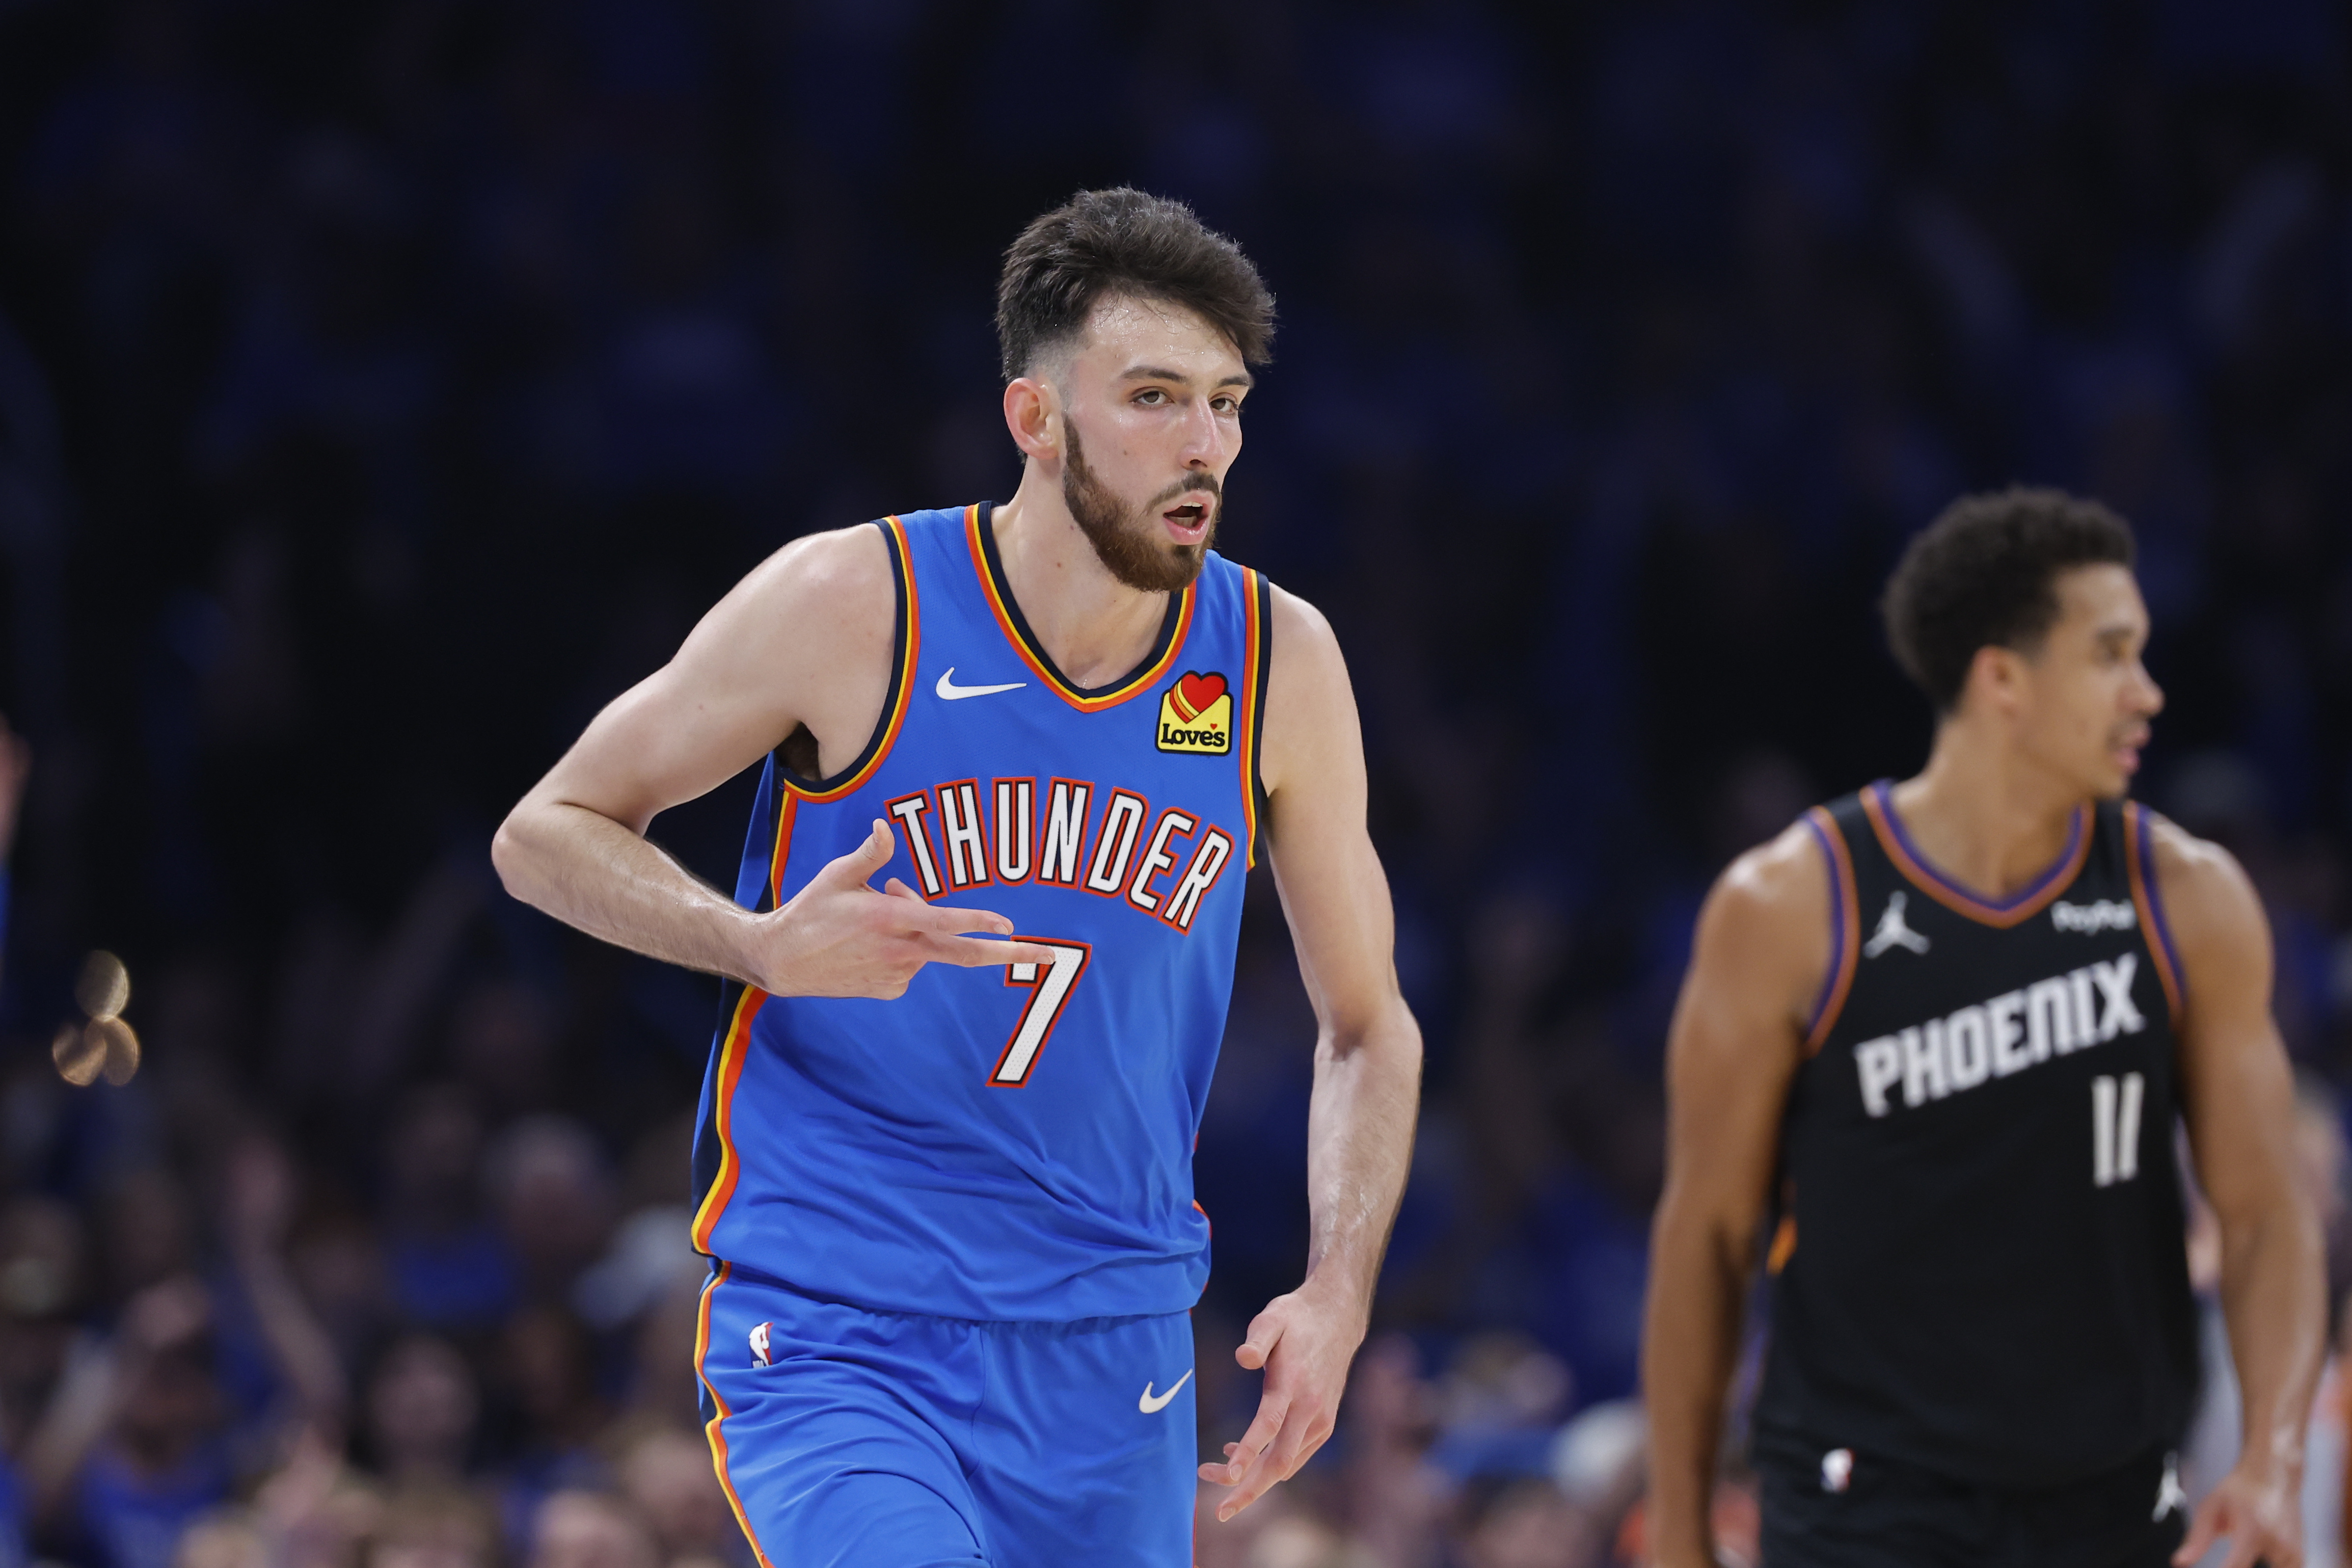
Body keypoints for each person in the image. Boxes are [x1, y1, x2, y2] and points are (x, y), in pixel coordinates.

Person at [492, 187, 1421, 1566]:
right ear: (1034, 420)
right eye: (1155, 397)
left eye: (1225, 402)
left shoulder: (1281, 662)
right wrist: (753, 941)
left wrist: (1341, 1288)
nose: (1206, 445)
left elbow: (1368, 1024)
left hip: (1116, 1345)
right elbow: (545, 830)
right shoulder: (855, 605)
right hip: (843, 1321)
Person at [1644, 489, 2325, 1568]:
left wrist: (2271, 1459)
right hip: (1861, 1499)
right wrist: (1677, 1529)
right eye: (2109, 656)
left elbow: (2264, 1215)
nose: (2146, 693)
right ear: (2000, 676)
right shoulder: (1791, 907)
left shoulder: (2185, 897)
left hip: (2106, 1497)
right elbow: (1706, 1237)